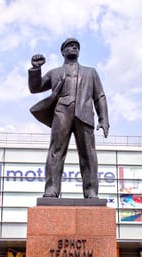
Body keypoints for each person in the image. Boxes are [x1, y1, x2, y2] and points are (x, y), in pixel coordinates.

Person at [28, 38, 109, 198]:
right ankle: (51, 189)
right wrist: (35, 70)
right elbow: (35, 88)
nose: (74, 47)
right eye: (70, 45)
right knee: (56, 151)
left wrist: (103, 118)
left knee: (88, 153)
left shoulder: (90, 72)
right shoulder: (54, 72)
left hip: (84, 114)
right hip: (62, 114)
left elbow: (99, 96)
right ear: (63, 51)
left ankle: (91, 190)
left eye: (77, 46)